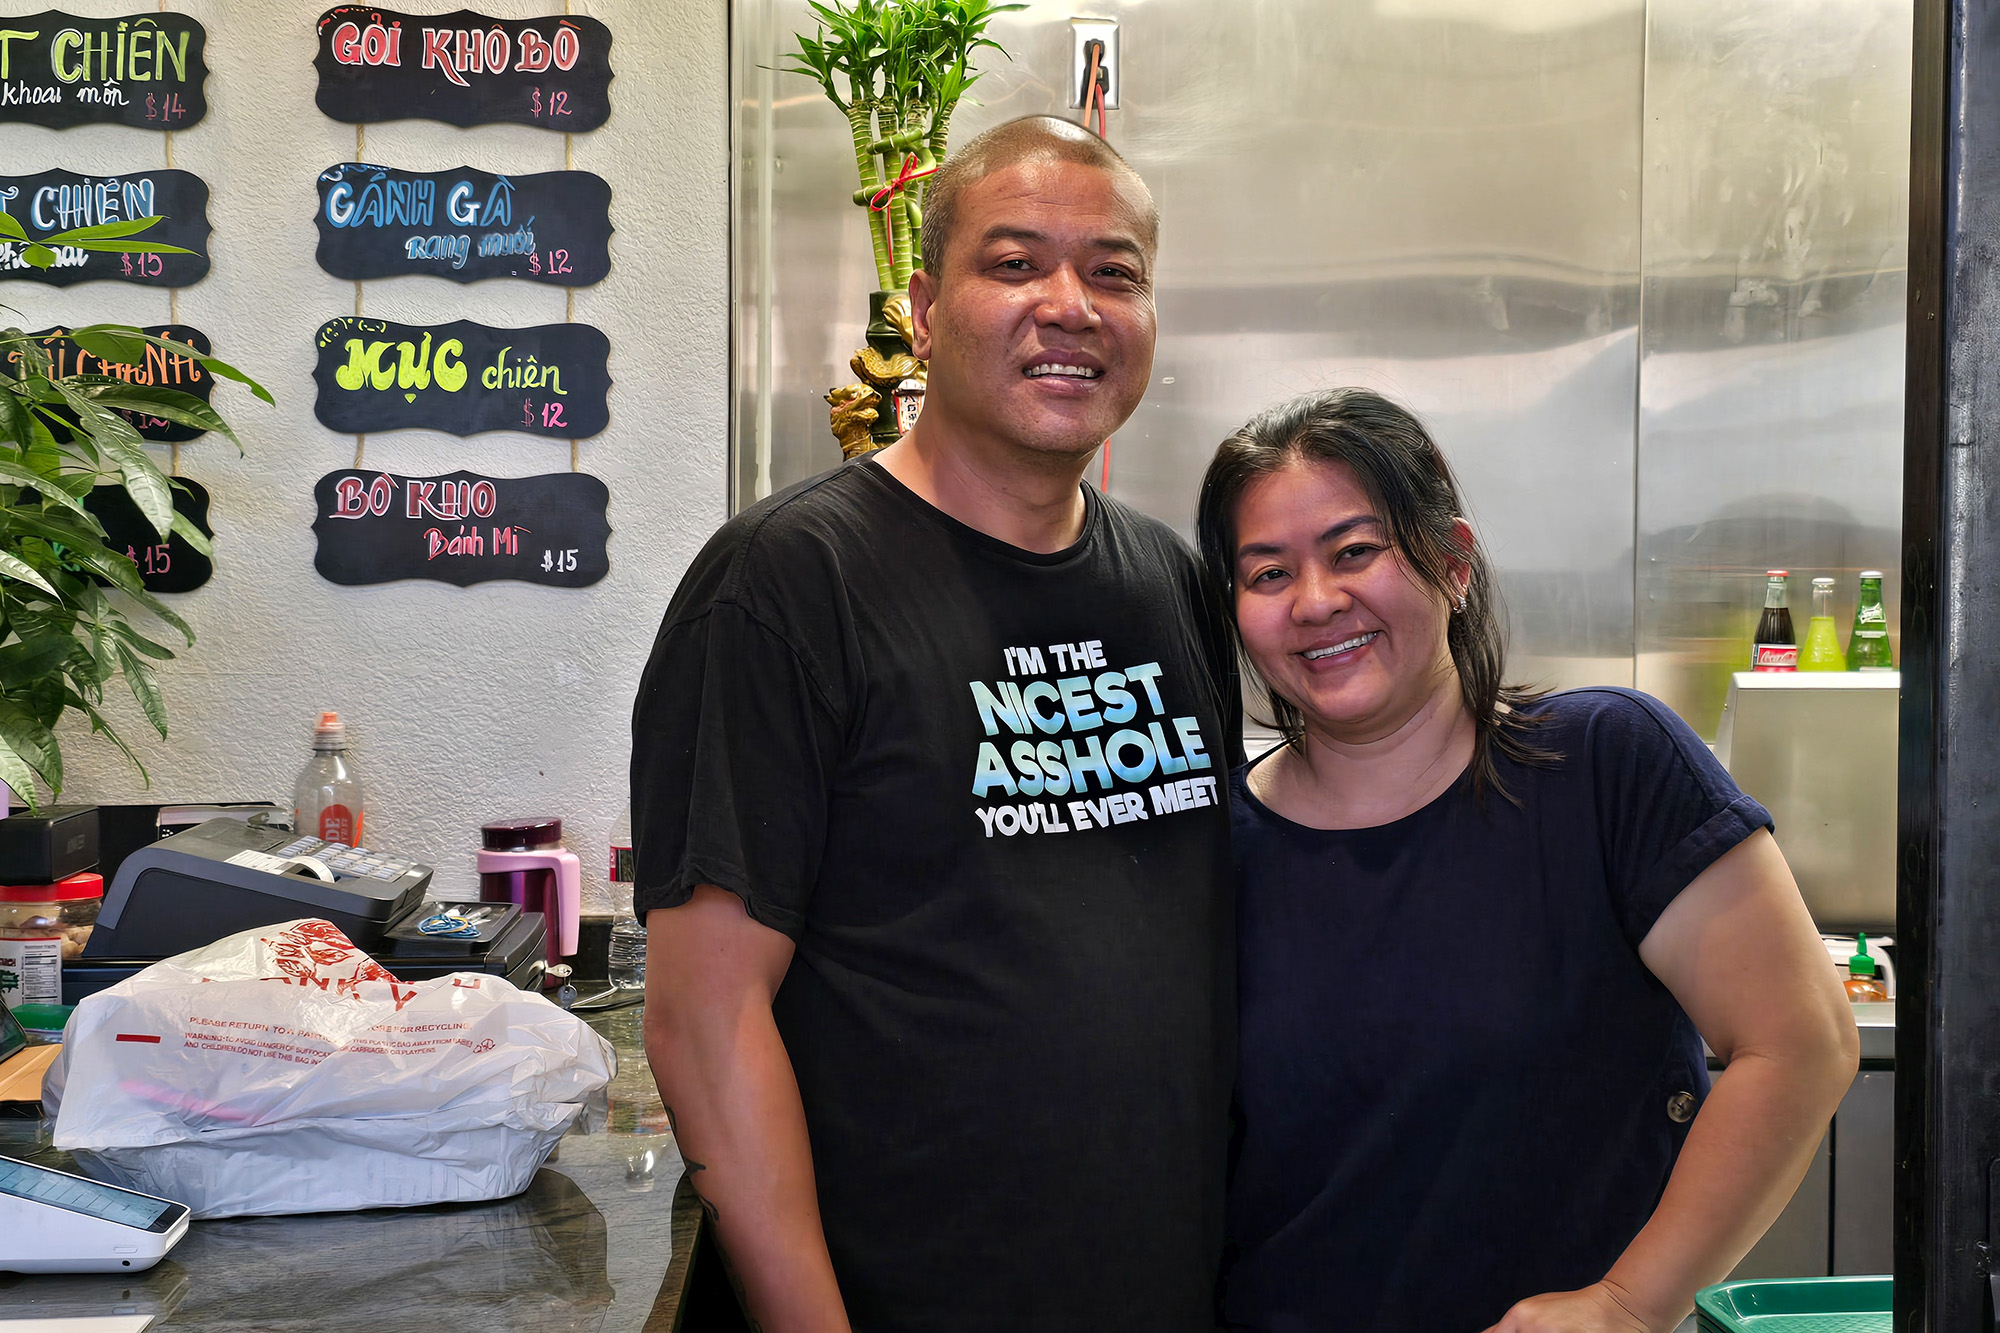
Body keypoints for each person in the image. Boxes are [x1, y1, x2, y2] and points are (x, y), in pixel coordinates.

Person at [631, 115, 1240, 1333]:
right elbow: (703, 1018)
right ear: (920, 304)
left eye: (1112, 271)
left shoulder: (1170, 583)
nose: (1068, 304)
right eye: (1013, 264)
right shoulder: (785, 586)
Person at [1197, 388, 1859, 1333]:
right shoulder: (1213, 844)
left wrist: (1628, 1304)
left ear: (1453, 561)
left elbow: (1801, 1042)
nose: (1314, 601)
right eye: (1267, 573)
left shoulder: (1603, 765)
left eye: (1355, 551)